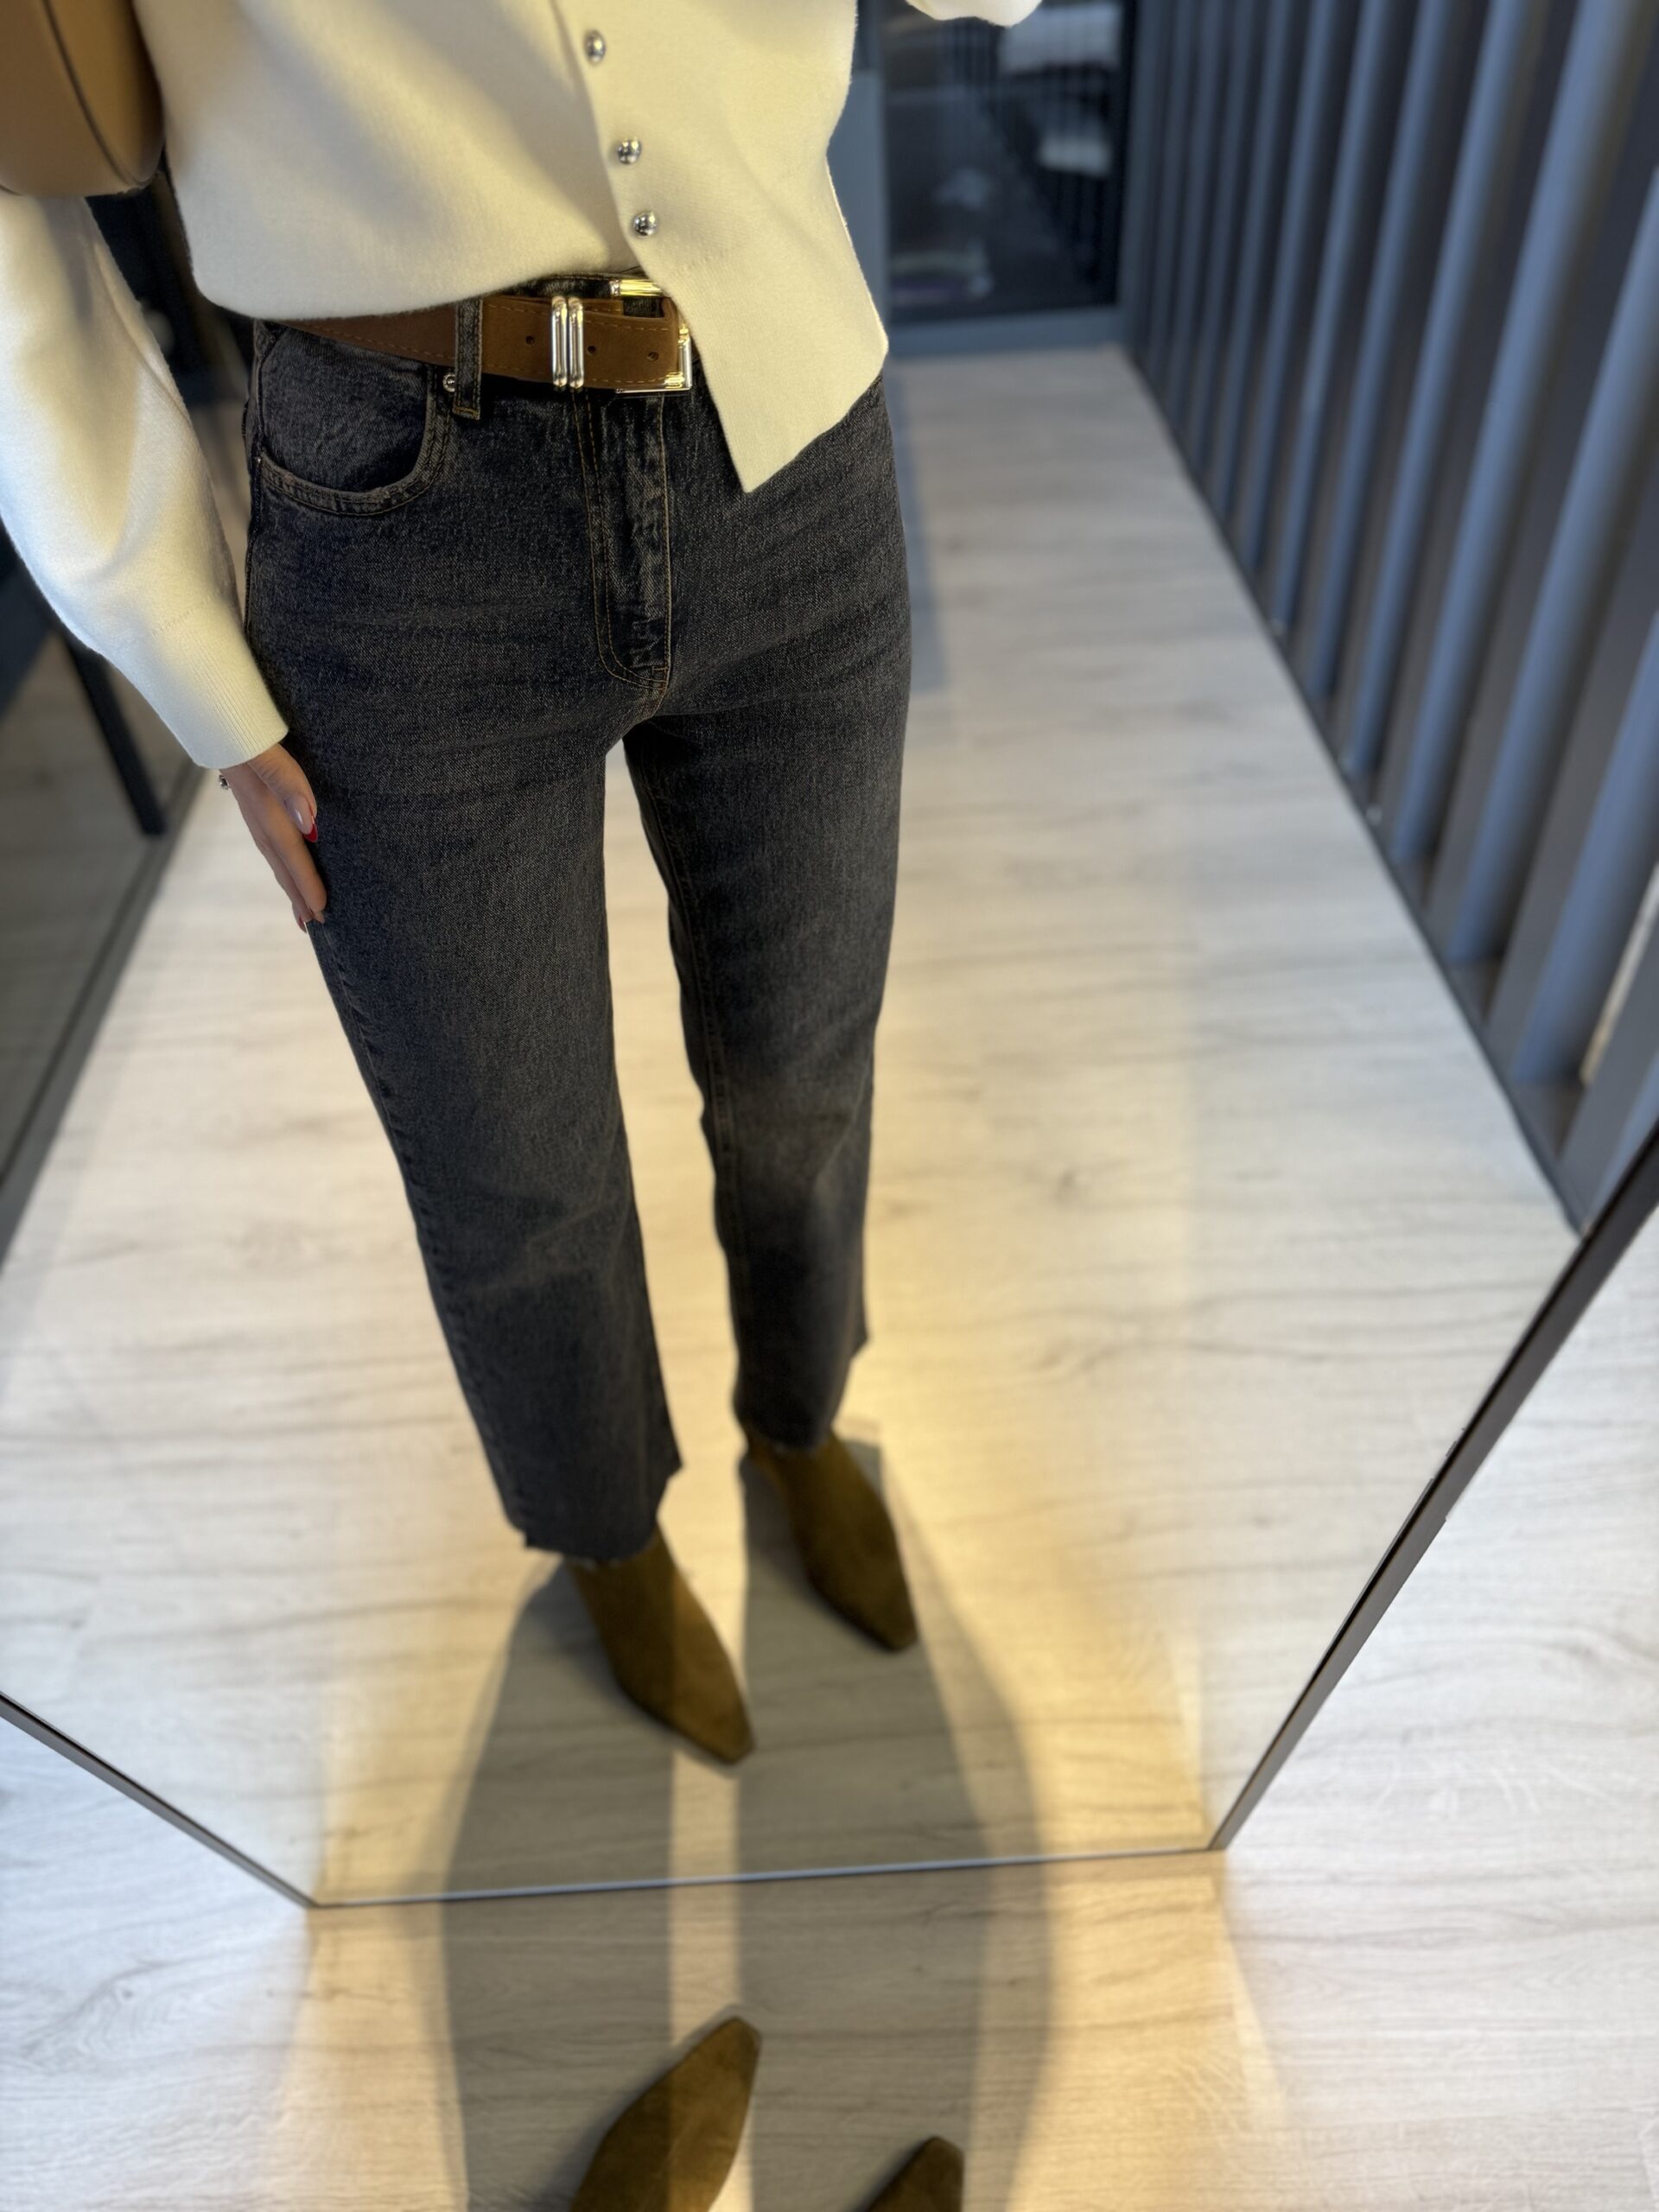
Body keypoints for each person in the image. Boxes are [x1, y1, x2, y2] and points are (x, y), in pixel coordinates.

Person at [0, 0, 1040, 1762]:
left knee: (801, 1072)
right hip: (396, 517)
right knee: (508, 1163)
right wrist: (161, 619)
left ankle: (800, 1420)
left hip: (780, 422)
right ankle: (607, 1529)